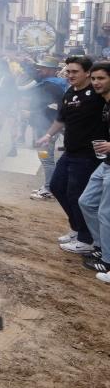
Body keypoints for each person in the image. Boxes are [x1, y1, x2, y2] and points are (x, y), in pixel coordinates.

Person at [37, 56, 105, 254]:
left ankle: (86, 239)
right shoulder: (68, 92)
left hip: (87, 155)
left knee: (77, 195)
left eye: (75, 72)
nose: (70, 75)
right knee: (57, 187)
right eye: (68, 71)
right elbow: (61, 119)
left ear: (87, 73)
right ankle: (76, 229)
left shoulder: (97, 94)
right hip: (70, 151)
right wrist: (48, 135)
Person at [78, 61, 110, 278]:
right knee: (86, 201)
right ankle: (101, 247)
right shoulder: (104, 102)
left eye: (102, 78)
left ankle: (108, 263)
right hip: (106, 162)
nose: (96, 82)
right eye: (94, 78)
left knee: (106, 213)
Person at [22, 56, 68, 200]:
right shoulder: (49, 83)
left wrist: (32, 112)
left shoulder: (51, 86)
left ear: (51, 70)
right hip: (44, 126)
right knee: (45, 157)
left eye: (43, 68)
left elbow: (51, 108)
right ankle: (49, 186)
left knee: (47, 159)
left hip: (47, 127)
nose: (39, 70)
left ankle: (49, 188)